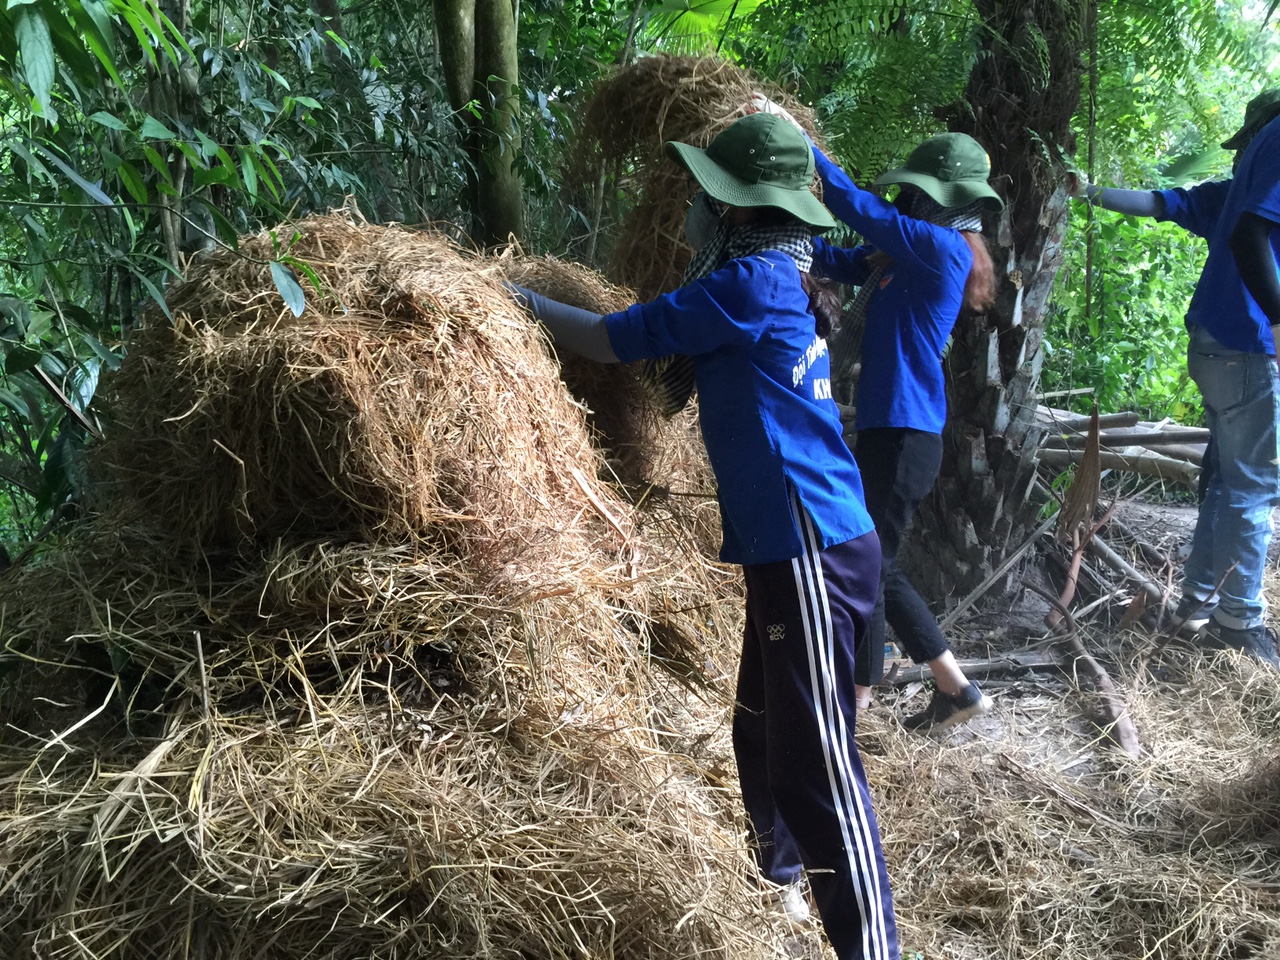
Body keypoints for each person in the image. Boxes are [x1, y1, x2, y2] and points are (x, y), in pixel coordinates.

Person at [506, 112, 900, 960]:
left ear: (737, 210)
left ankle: (872, 949)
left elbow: (618, 340)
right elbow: (858, 250)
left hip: (809, 545)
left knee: (816, 766)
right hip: (802, 540)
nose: (691, 209)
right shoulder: (793, 266)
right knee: (760, 723)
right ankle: (781, 879)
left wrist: (514, 302)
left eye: (705, 196)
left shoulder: (752, 282)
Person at [755, 97, 1002, 732]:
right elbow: (842, 258)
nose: (906, 205)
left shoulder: (941, 249)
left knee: (870, 562)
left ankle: (937, 690)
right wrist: (782, 240)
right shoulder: (909, 258)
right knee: (865, 556)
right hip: (895, 428)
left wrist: (799, 141)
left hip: (908, 431)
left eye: (916, 196)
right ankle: (894, 692)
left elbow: (855, 206)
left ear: (939, 201)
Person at [1068, 87, 1280, 667]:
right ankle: (1240, 620)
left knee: (1229, 479)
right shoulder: (1273, 158)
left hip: (1214, 347)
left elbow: (1160, 203)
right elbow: (1249, 237)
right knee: (1254, 486)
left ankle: (1199, 604)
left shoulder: (1230, 193)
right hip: (1247, 346)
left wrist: (1089, 192)